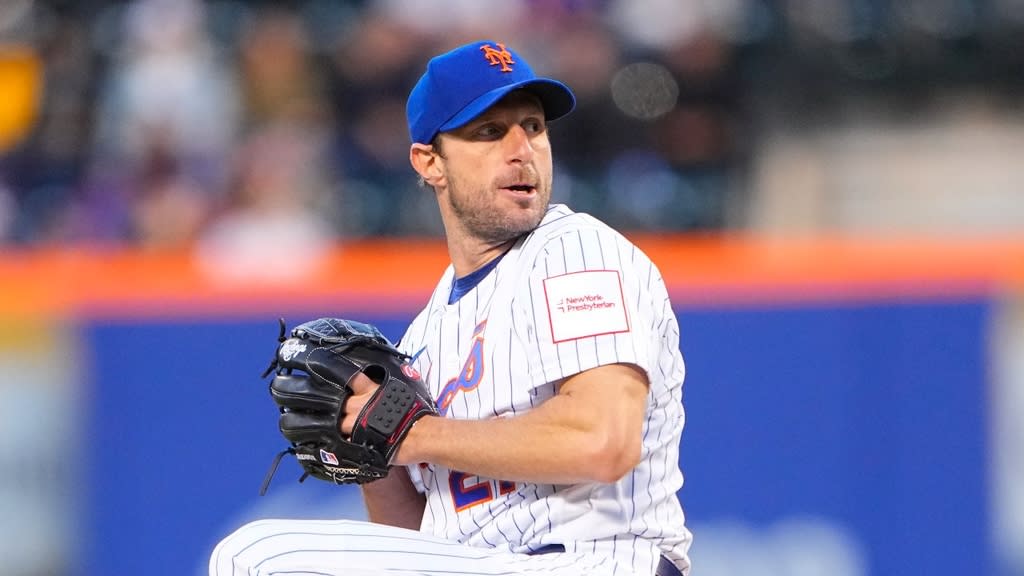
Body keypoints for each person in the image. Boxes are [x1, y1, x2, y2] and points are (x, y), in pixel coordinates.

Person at [210, 40, 692, 576]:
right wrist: (370, 452)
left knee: (255, 557)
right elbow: (414, 541)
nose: (522, 149)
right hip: (488, 564)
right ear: (429, 161)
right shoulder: (427, 332)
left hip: (594, 563)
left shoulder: (576, 250)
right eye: (489, 132)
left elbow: (603, 441)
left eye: (533, 126)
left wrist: (411, 434)